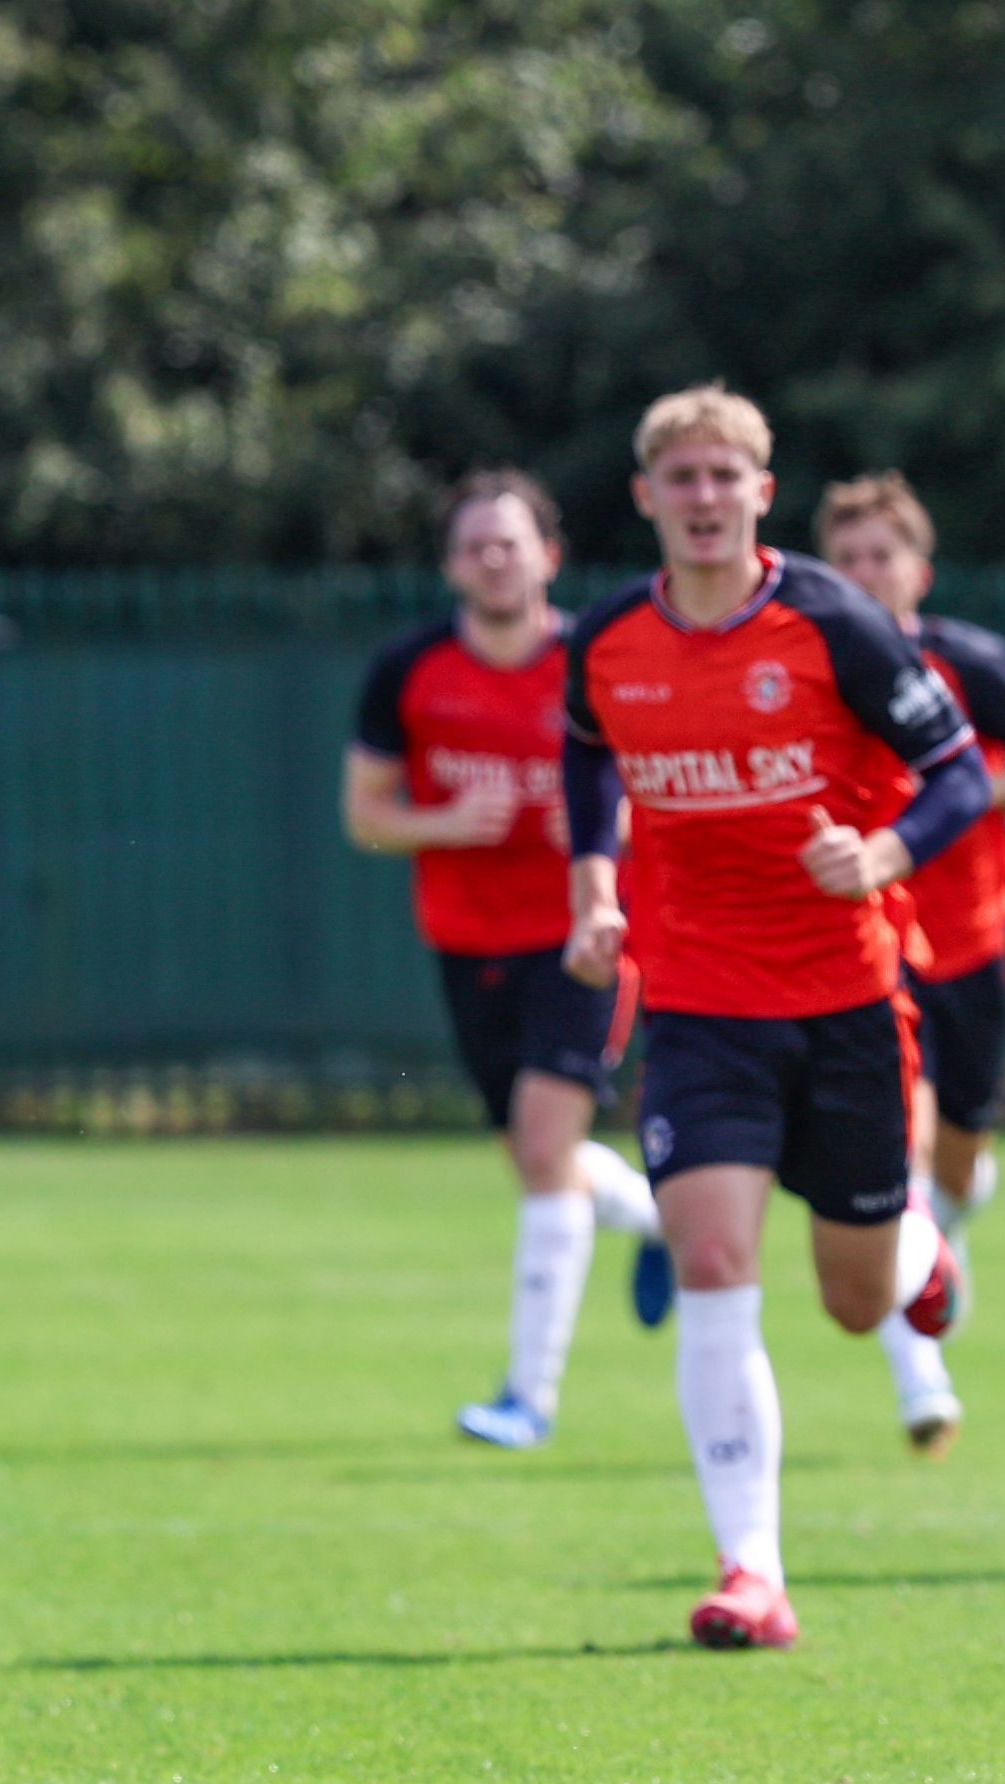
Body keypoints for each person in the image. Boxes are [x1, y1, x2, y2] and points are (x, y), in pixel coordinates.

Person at [560, 385, 988, 1650]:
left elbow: (957, 768)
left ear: (760, 489)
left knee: (856, 1301)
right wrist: (595, 888)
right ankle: (752, 1570)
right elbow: (586, 751)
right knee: (710, 1262)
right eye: (677, 477)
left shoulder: (833, 621)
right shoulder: (607, 640)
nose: (701, 497)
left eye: (722, 476)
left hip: (846, 1000)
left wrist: (883, 849)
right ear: (645, 495)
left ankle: (918, 1253)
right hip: (697, 1003)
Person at [342, 469, 668, 1451]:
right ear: (451, 564)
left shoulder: (594, 661)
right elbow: (363, 814)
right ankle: (657, 1214)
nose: (494, 558)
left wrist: (602, 821)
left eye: (510, 541)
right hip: (467, 943)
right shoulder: (409, 669)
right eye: (475, 544)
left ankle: (529, 1395)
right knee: (541, 1162)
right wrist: (441, 818)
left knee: (541, 1146)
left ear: (548, 556)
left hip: (587, 934)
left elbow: (657, 778)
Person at [816, 472, 1005, 1456]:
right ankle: (924, 1379)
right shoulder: (811, 663)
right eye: (847, 558)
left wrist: (960, 791)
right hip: (868, 942)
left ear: (918, 568)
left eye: (882, 555)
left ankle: (938, 1238)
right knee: (897, 1151)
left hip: (966, 937)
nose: (866, 573)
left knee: (959, 1156)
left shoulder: (966, 662)